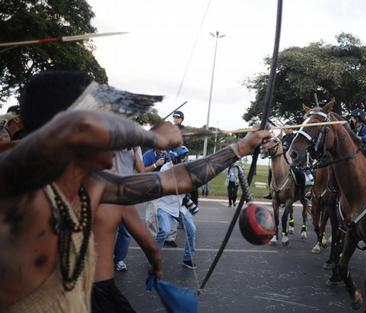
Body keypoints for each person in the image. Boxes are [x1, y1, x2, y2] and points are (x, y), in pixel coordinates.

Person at [0, 70, 271, 312]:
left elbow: (178, 178)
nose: (113, 125)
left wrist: (241, 148)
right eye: (105, 116)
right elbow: (78, 127)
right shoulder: (22, 193)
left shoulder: (93, 186)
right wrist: (153, 136)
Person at [92, 203, 161, 313]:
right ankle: (119, 260)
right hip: (100, 289)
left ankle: (119, 260)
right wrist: (157, 268)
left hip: (65, 288)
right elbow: (152, 247)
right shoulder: (116, 201)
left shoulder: (61, 199)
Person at [154, 146, 199, 269]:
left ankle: (188, 258)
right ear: (175, 159)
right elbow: (164, 187)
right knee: (164, 230)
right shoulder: (165, 169)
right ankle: (154, 258)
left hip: (179, 206)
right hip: (165, 206)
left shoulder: (186, 169)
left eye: (186, 158)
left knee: (191, 229)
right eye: (183, 158)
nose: (185, 160)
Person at [112, 147, 146, 272]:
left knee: (125, 230)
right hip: (110, 189)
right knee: (106, 228)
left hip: (127, 193)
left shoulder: (136, 148)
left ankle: (119, 259)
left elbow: (141, 170)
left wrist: (136, 150)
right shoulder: (114, 141)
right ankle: (100, 259)